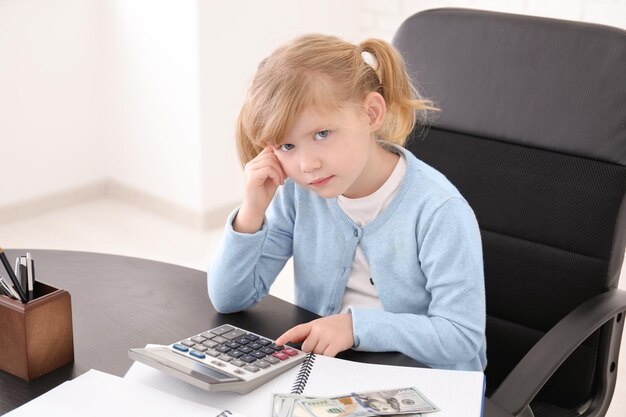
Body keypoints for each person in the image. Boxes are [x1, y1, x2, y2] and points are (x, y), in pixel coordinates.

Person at [208, 34, 486, 371]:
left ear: (370, 114)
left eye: (321, 134)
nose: (307, 165)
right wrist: (251, 212)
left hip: (427, 383)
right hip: (336, 372)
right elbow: (229, 298)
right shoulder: (300, 194)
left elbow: (462, 338)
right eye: (286, 146)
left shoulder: (439, 210)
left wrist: (356, 327)